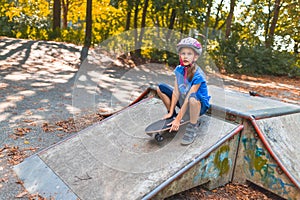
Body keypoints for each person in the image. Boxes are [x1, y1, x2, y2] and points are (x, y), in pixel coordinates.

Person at [157, 37, 211, 145]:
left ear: (195, 57)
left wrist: (178, 119)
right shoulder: (179, 70)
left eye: (189, 54)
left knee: (192, 99)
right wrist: (172, 112)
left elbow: (188, 98)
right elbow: (176, 92)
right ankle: (171, 115)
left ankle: (193, 124)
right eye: (183, 53)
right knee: (160, 88)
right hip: (185, 100)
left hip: (197, 104)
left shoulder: (198, 75)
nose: (185, 56)